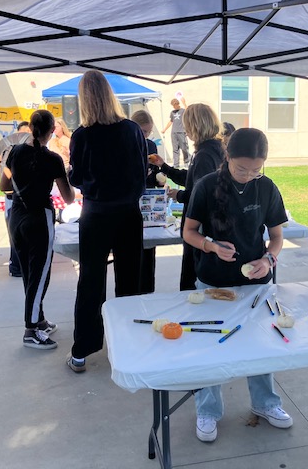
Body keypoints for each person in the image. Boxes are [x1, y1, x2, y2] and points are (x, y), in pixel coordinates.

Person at [183, 127, 292, 442]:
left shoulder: (266, 187)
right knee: (210, 345)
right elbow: (189, 232)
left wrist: (268, 261)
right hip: (213, 281)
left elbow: (276, 237)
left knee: (260, 343)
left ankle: (265, 403)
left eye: (256, 169)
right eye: (242, 168)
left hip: (256, 284)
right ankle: (208, 409)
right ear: (227, 156)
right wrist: (212, 247)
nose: (248, 175)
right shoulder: (206, 186)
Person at [67, 69, 147, 373]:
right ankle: (129, 342)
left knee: (90, 281)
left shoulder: (82, 135)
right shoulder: (131, 130)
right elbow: (141, 173)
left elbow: (76, 178)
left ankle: (82, 350)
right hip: (128, 212)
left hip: (96, 214)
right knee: (129, 280)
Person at [0, 110, 74, 349]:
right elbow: (68, 197)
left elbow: (4, 185)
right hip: (39, 217)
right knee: (40, 274)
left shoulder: (15, 151)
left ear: (30, 127)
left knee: (29, 274)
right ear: (52, 131)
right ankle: (31, 328)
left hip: (17, 215)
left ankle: (38, 320)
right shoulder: (53, 159)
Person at [149, 103, 225, 290]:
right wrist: (165, 167)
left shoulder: (205, 155)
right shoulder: (212, 149)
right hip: (206, 226)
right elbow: (192, 179)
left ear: (195, 126)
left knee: (191, 281)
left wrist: (179, 195)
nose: (185, 131)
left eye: (186, 125)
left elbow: (201, 194)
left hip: (199, 228)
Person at [0, 121, 32, 277]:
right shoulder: (32, 140)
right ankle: (29, 266)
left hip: (11, 193)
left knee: (14, 232)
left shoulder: (4, 141)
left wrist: (7, 171)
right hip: (30, 192)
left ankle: (16, 267)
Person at [131, 109, 163, 294]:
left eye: (149, 132)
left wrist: (159, 176)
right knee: (135, 250)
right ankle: (136, 290)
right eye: (143, 131)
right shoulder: (128, 143)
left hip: (150, 198)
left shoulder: (151, 145)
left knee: (150, 248)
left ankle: (148, 290)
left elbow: (157, 170)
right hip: (133, 199)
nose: (146, 136)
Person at [161, 97, 189, 167]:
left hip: (181, 131)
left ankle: (186, 162)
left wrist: (184, 103)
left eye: (175, 105)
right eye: (173, 106)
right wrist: (165, 129)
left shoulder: (182, 111)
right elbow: (171, 121)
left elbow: (188, 111)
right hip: (174, 132)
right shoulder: (172, 112)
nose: (174, 107)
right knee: (175, 149)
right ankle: (176, 164)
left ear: (178, 104)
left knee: (184, 147)